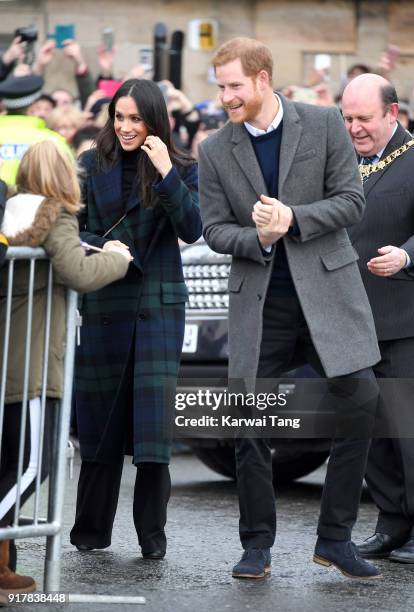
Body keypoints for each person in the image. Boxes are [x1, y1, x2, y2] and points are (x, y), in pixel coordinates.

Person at [198, 37, 381, 580]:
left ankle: (336, 539)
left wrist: (293, 219)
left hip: (328, 295)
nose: (227, 97)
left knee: (364, 403)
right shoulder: (213, 149)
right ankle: (256, 544)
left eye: (234, 85)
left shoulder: (324, 124)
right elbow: (213, 229)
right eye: (221, 87)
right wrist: (258, 237)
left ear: (262, 79)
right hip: (262, 302)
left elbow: (352, 200)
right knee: (248, 420)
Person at [69, 78, 202, 559]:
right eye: (118, 117)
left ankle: (152, 537)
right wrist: (101, 246)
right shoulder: (89, 163)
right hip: (106, 300)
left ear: (153, 121)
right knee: (100, 425)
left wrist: (166, 171)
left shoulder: (181, 167)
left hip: (156, 307)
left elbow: (192, 227)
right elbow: (73, 227)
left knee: (153, 433)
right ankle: (90, 533)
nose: (125, 127)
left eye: (134, 119)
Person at [0, 140, 131, 596]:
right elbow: (77, 272)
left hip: (10, 362)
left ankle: (2, 567)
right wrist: (117, 257)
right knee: (32, 467)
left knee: (6, 466)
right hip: (32, 367)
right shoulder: (52, 214)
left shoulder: (10, 212)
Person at [342, 74, 414, 563]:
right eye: (347, 119)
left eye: (363, 119)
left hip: (406, 320)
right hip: (353, 321)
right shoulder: (346, 162)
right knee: (374, 437)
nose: (354, 129)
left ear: (392, 114)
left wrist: (407, 258)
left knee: (410, 432)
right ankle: (392, 523)